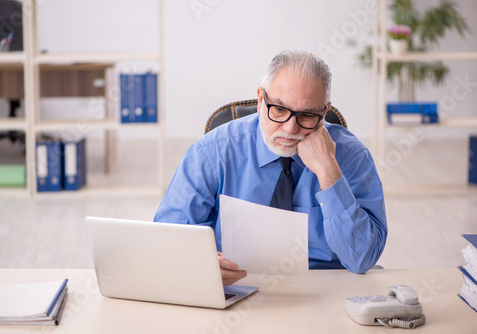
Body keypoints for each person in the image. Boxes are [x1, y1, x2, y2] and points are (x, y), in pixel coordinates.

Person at [154, 50, 387, 286]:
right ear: (260, 100)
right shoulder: (211, 153)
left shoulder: (353, 157)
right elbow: (167, 244)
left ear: (324, 113)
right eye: (278, 109)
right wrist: (199, 264)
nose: (289, 128)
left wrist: (328, 172)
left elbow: (362, 259)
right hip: (236, 288)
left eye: (306, 115)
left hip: (324, 291)